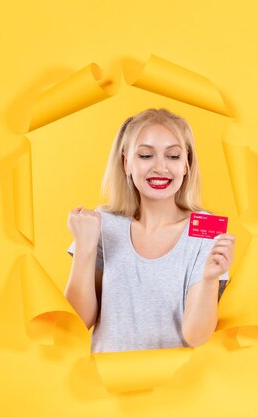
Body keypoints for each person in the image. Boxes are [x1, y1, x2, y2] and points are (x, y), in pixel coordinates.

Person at [64, 108, 235, 353]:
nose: (160, 167)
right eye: (145, 155)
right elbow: (79, 321)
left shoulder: (206, 230)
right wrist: (84, 247)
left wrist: (210, 280)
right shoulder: (103, 223)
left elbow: (196, 336)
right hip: (108, 383)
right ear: (126, 163)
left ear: (187, 165)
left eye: (173, 156)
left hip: (178, 385)